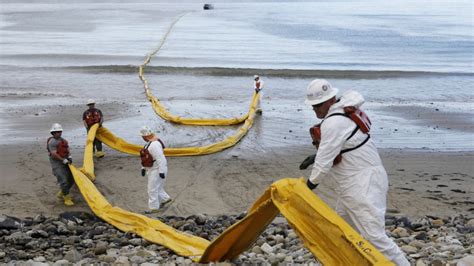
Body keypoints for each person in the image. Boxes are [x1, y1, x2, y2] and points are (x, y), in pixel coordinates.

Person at [303, 79, 409, 265]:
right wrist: (317, 156)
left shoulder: (334, 122)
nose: (315, 110)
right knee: (342, 227)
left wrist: (309, 186)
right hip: (360, 180)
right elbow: (343, 146)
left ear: (330, 100)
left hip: (361, 184)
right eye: (313, 106)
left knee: (375, 237)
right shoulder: (343, 112)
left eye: (318, 105)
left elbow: (325, 160)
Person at [139, 126, 172, 214]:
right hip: (153, 168)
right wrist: (143, 168)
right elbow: (146, 158)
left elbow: (160, 158)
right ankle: (166, 199)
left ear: (145, 136)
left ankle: (153, 207)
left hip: (156, 169)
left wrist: (161, 171)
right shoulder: (150, 143)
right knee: (158, 187)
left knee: (152, 189)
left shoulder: (154, 145)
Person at [47, 123, 75, 206]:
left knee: (71, 179)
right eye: (57, 132)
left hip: (65, 162)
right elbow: (54, 154)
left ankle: (62, 192)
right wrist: (63, 160)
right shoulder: (52, 142)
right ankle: (67, 198)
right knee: (63, 181)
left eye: (60, 131)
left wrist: (69, 157)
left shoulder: (63, 140)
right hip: (57, 164)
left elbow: (67, 149)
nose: (59, 133)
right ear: (53, 133)